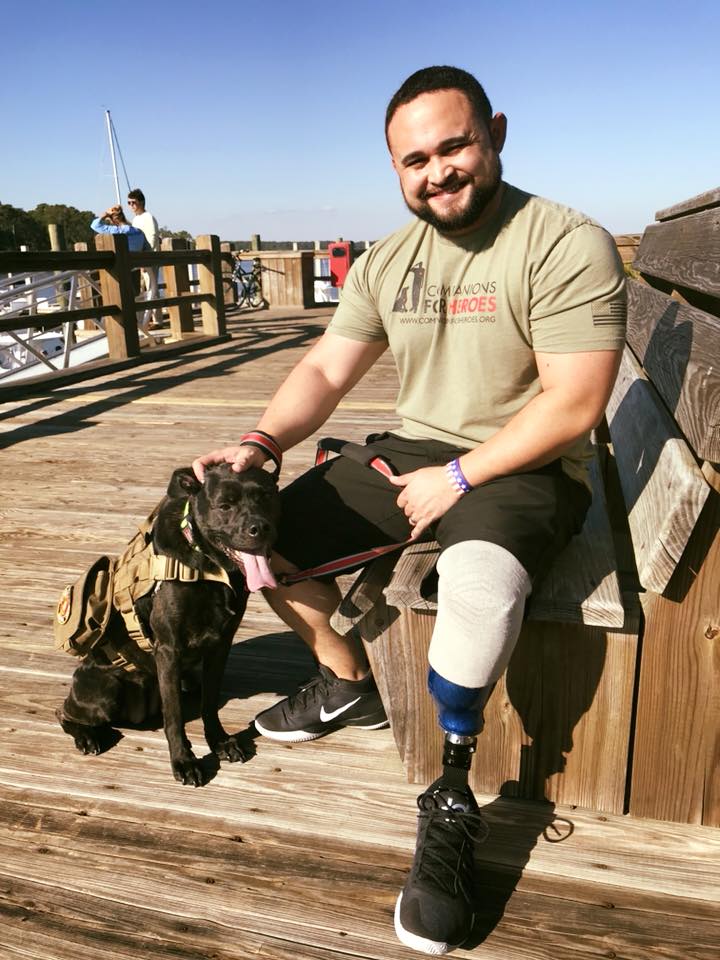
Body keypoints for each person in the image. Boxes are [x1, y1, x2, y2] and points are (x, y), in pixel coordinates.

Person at [193, 65, 626, 956]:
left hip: (527, 461)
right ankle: (346, 683)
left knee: (477, 584)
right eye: (415, 159)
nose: (438, 171)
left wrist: (462, 479)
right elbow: (323, 369)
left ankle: (453, 791)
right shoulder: (390, 260)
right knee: (256, 541)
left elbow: (576, 405)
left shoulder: (563, 241)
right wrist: (261, 446)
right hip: (413, 449)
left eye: (454, 146)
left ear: (495, 133)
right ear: (396, 169)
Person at [91, 205, 149, 297]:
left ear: (113, 220)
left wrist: (105, 215)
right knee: (134, 298)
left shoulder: (116, 230)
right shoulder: (139, 232)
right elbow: (146, 248)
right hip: (135, 270)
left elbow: (94, 225)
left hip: (119, 271)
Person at [127, 188, 162, 328]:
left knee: (152, 288)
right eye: (129, 203)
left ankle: (158, 321)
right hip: (138, 260)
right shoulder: (135, 220)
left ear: (141, 202)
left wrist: (146, 260)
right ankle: (144, 320)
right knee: (140, 290)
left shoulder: (148, 217)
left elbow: (153, 238)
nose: (131, 206)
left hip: (149, 259)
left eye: (133, 203)